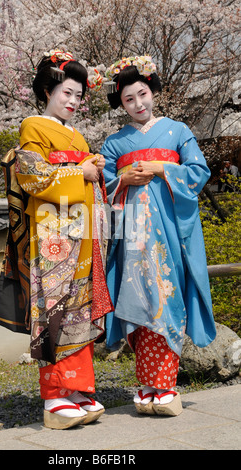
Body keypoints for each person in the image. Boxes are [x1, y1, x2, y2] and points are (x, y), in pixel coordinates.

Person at [0, 50, 113, 429]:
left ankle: (77, 391)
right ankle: (54, 397)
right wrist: (82, 172)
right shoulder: (34, 127)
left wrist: (93, 169)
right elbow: (33, 177)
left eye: (79, 96)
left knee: (78, 306)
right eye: (68, 93)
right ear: (47, 90)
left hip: (79, 230)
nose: (74, 101)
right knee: (56, 308)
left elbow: (74, 171)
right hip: (53, 233)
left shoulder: (75, 133)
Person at [100, 56, 216, 416]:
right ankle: (146, 385)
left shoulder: (178, 130)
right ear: (121, 104)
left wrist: (162, 168)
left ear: (153, 91)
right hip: (132, 237)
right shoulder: (115, 142)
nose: (138, 104)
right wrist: (123, 181)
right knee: (137, 300)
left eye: (142, 94)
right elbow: (101, 187)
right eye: (128, 100)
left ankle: (164, 385)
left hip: (168, 233)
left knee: (167, 296)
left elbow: (198, 173)